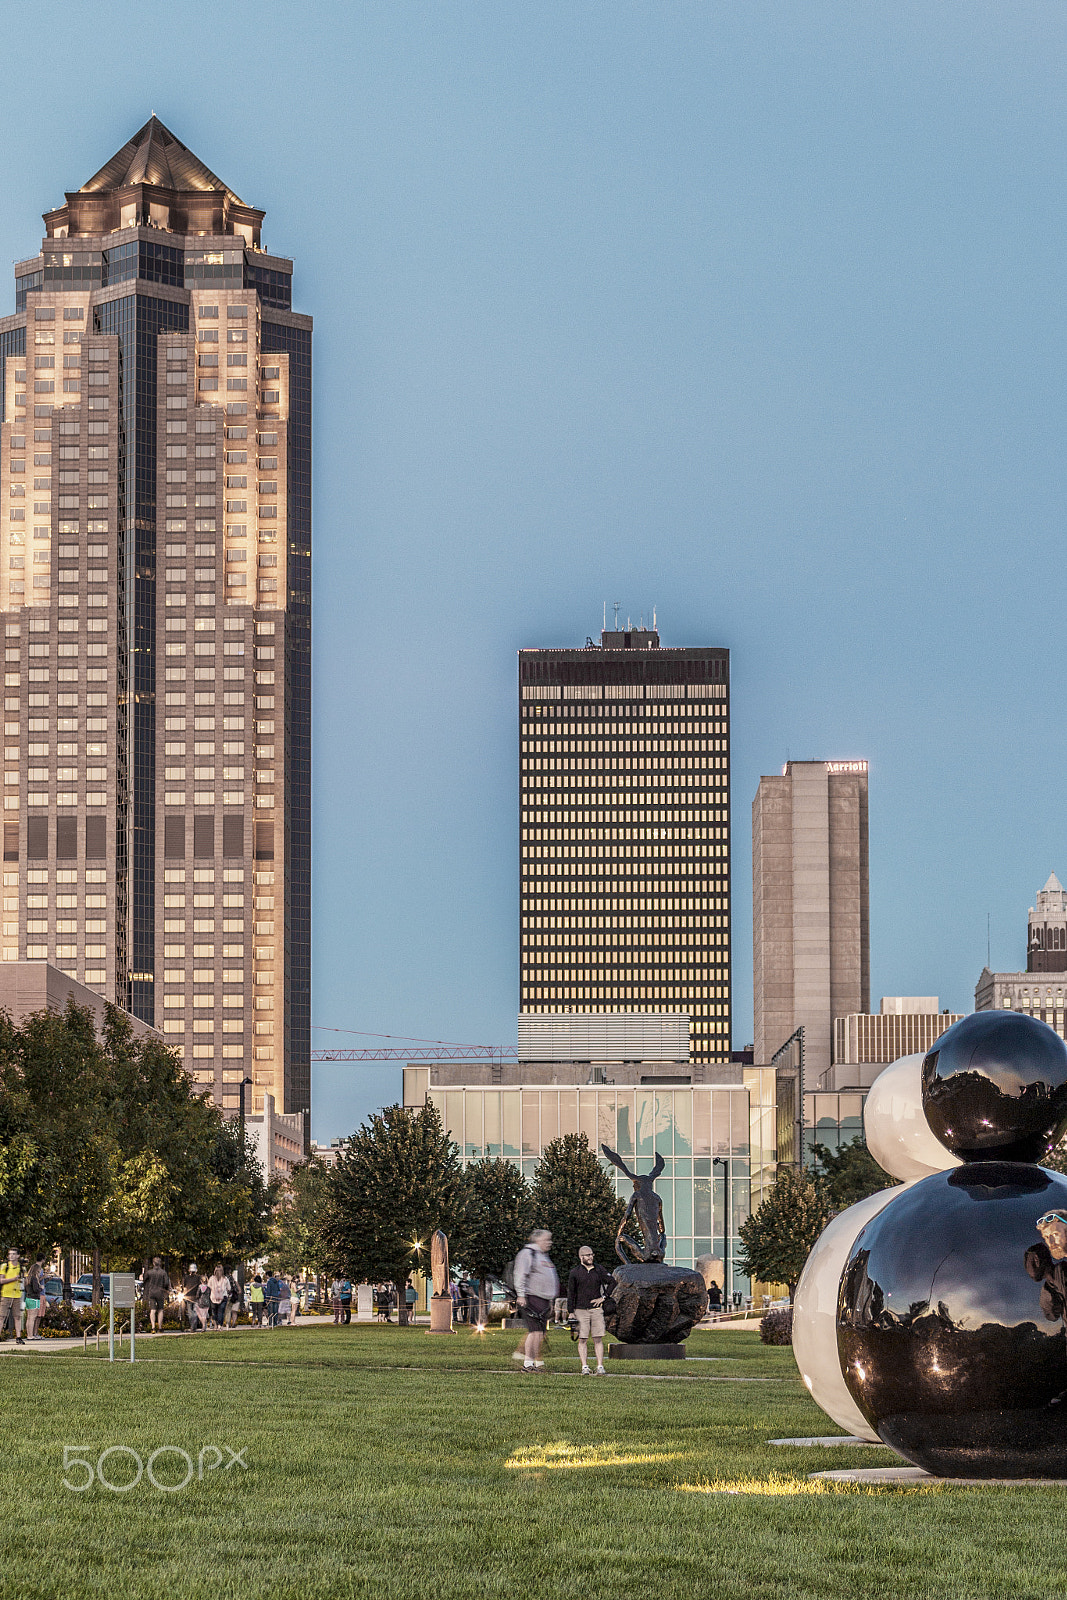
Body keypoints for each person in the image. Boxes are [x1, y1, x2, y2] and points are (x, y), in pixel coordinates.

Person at [514, 1229, 559, 1373]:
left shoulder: (543, 1256)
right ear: (538, 1240)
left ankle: (534, 1363)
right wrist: (521, 1295)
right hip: (532, 1298)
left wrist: (551, 1300)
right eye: (547, 1240)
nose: (549, 1243)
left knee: (540, 1333)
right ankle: (528, 1364)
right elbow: (520, 1275)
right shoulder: (528, 1253)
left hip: (544, 1300)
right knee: (535, 1332)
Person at [566, 1245, 613, 1376]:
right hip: (580, 1309)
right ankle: (584, 1366)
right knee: (583, 1339)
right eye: (588, 1255)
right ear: (581, 1257)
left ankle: (600, 1366)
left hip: (596, 1309)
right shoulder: (575, 1272)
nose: (590, 1257)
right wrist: (571, 1311)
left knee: (598, 1338)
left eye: (592, 1254)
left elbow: (612, 1282)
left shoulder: (599, 1270)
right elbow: (571, 1293)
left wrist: (603, 1298)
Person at [0, 1248, 23, 1345]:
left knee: (17, 1316)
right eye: (10, 1254)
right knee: (1, 1316)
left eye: (14, 1254)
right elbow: (1, 1280)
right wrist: (14, 1279)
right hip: (6, 1294)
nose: (11, 1256)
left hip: (17, 1295)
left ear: (18, 1256)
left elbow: (24, 1280)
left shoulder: (21, 1267)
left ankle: (18, 1337)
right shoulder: (5, 1266)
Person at [23, 1254, 46, 1341]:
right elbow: (36, 1289)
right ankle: (31, 1335)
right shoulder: (34, 1278)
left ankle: (29, 1334)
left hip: (28, 1298)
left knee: (29, 1318)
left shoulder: (28, 1278)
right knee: (33, 1318)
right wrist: (41, 1288)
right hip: (34, 1299)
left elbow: (26, 1288)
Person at [144, 1256, 170, 1332]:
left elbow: (144, 1281)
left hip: (151, 1292)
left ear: (153, 1263)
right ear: (160, 1263)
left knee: (153, 1310)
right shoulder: (163, 1272)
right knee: (160, 1310)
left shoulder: (149, 1272)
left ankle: (153, 1327)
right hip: (160, 1292)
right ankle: (160, 1327)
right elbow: (166, 1283)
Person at [208, 1264, 231, 1328]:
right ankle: (219, 1325)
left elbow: (208, 1287)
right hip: (223, 1297)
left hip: (213, 1297)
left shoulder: (211, 1278)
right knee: (221, 1311)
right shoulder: (225, 1279)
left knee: (214, 1312)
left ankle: (215, 1325)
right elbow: (229, 1288)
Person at [184, 1262, 201, 1330]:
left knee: (190, 1312)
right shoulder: (198, 1277)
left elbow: (185, 1287)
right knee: (195, 1312)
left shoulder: (186, 1277)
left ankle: (192, 1325)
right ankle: (194, 1325)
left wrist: (184, 1294)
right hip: (195, 1297)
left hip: (189, 1296)